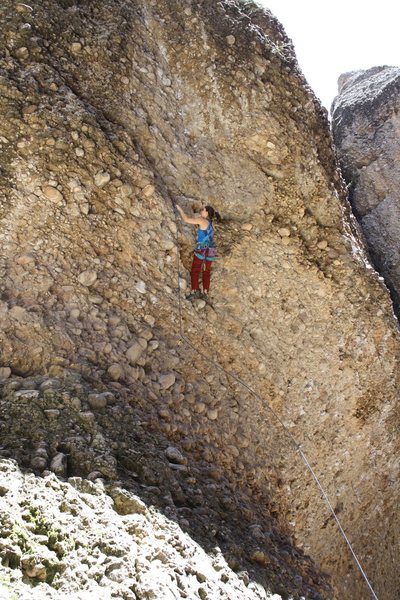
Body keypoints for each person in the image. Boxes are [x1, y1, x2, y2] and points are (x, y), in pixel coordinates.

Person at [176, 203, 221, 301]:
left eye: (203, 210)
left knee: (195, 270)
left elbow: (186, 219)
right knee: (206, 271)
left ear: (207, 213)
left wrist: (180, 210)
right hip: (210, 250)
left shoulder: (202, 220)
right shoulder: (211, 223)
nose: (201, 211)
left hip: (202, 249)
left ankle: (195, 291)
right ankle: (205, 292)